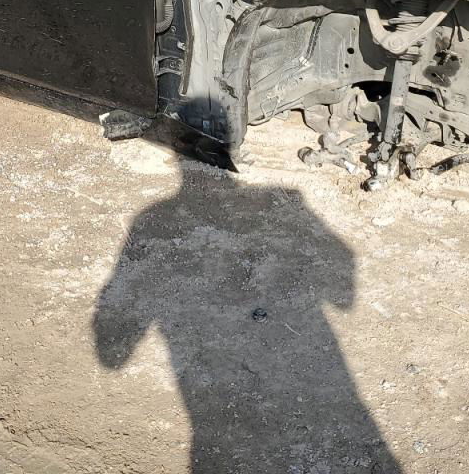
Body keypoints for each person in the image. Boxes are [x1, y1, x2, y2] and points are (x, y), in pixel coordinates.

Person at [94, 162, 402, 473]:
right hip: (316, 387)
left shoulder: (153, 216)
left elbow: (111, 351)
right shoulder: (289, 202)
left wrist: (114, 348)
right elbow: (344, 298)